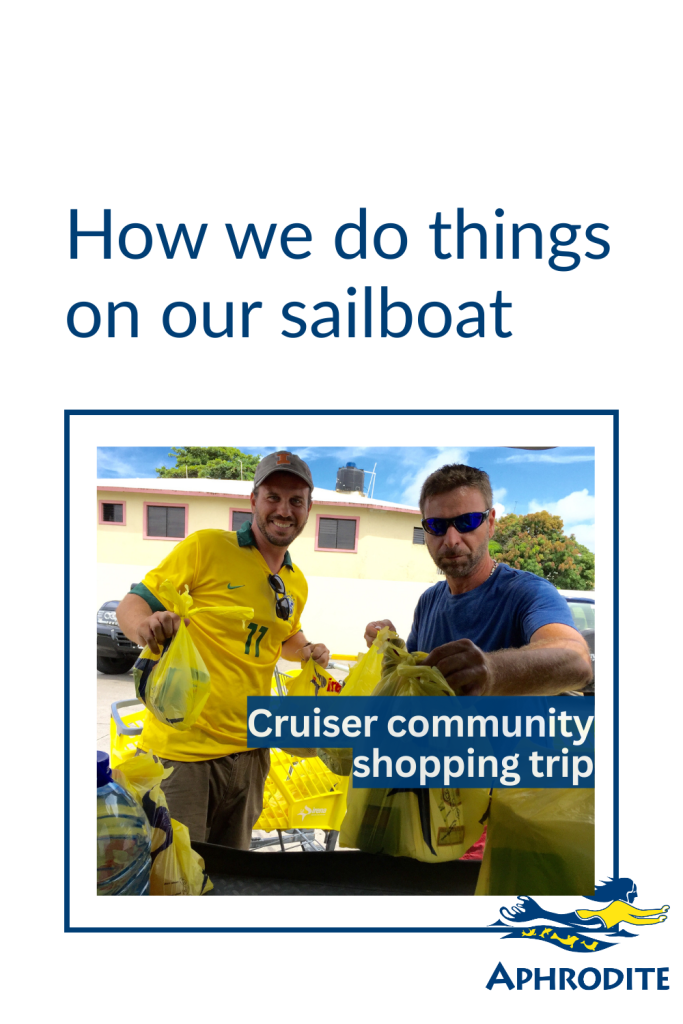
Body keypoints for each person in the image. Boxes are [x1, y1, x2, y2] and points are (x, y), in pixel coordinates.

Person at [116, 451, 330, 849]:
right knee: (174, 877)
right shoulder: (207, 547)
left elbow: (285, 637)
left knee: (233, 875)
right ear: (253, 501)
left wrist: (309, 651)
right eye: (273, 497)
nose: (284, 510)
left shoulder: (296, 582)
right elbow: (134, 602)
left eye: (296, 501)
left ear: (308, 509)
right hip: (185, 758)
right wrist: (145, 627)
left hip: (252, 756)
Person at [365, 463, 592, 695]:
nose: (451, 539)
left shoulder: (528, 592)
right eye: (436, 525)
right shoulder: (429, 601)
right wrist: (392, 649)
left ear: (490, 523)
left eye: (468, 521)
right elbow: (413, 677)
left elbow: (577, 660)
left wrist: (492, 670)